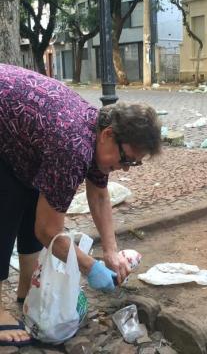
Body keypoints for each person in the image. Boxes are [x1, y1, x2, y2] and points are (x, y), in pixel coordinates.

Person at [0, 64, 162, 346]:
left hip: (15, 134)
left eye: (133, 163)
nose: (124, 169)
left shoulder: (95, 134)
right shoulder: (72, 147)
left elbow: (99, 194)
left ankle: (27, 292)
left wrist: (111, 253)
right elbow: (48, 232)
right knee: (4, 205)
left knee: (32, 191)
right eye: (126, 159)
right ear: (109, 134)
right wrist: (91, 267)